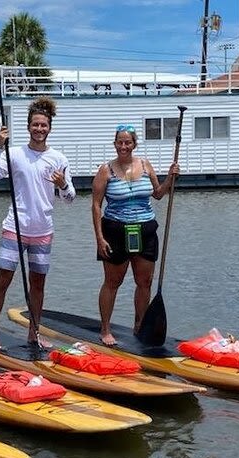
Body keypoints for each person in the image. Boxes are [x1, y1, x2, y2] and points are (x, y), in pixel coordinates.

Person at [0, 97, 75, 349]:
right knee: (3, 278)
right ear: (28, 127)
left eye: (44, 125)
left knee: (38, 283)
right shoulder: (14, 154)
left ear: (50, 128)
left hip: (43, 230)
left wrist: (62, 185)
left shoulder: (59, 159)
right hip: (15, 227)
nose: (39, 129)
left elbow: (69, 199)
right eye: (35, 125)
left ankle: (34, 332)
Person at [91, 125, 179, 346]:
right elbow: (95, 206)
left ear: (134, 144)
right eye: (120, 142)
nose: (123, 146)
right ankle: (105, 329)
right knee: (113, 281)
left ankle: (139, 326)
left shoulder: (146, 165)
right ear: (115, 144)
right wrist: (99, 238)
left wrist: (170, 178)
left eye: (127, 142)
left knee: (144, 282)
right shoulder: (105, 170)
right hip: (115, 230)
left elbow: (158, 194)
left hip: (145, 229)